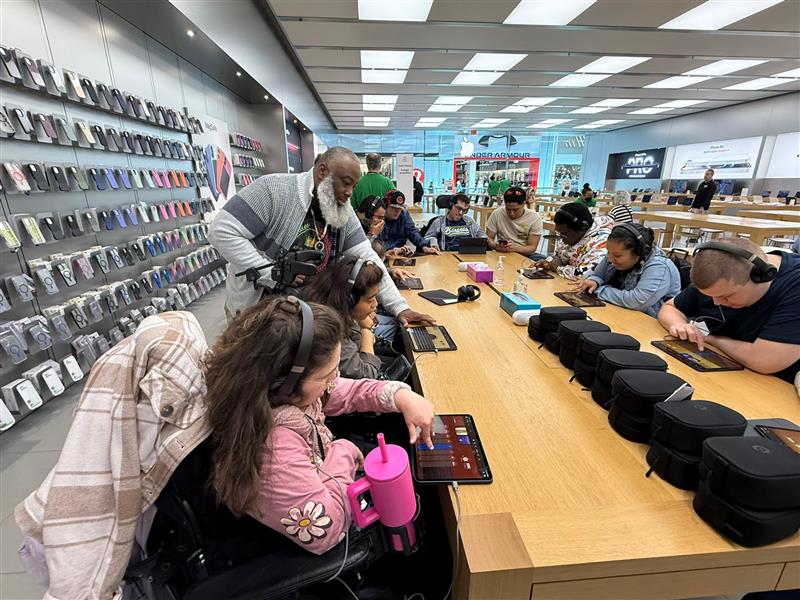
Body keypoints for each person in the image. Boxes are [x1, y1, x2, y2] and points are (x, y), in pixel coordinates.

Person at [205, 296, 435, 555]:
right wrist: (343, 451)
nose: (334, 379)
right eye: (326, 375)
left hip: (320, 477)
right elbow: (328, 529)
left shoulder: (273, 394)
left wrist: (400, 396)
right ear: (286, 384)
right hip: (303, 545)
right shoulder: (274, 452)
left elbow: (347, 391)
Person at [208, 146, 434, 326]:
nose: (350, 193)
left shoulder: (342, 210)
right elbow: (221, 230)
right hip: (257, 313)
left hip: (306, 315)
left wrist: (400, 307)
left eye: (354, 186)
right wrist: (271, 272)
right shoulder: (272, 190)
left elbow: (367, 257)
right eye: (346, 183)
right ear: (323, 172)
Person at [657, 238, 800, 382]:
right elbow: (670, 308)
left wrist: (712, 339)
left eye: (726, 296)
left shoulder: (794, 285)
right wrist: (679, 324)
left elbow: (765, 361)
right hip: (728, 369)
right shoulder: (717, 277)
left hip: (775, 383)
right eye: (710, 296)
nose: (716, 302)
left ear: (761, 276)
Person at [574, 223, 681, 317]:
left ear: (639, 252)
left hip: (650, 322)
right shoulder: (613, 254)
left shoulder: (659, 267)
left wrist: (599, 290)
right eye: (608, 252)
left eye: (617, 256)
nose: (610, 259)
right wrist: (594, 281)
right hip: (619, 312)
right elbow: (598, 275)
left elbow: (636, 301)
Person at [303, 257, 385, 379]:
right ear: (349, 300)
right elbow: (366, 375)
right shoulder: (329, 328)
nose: (375, 304)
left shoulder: (334, 308)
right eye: (369, 300)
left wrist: (356, 320)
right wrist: (366, 333)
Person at [532, 202, 613, 279]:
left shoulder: (602, 243)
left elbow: (584, 276)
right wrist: (549, 261)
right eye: (559, 232)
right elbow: (559, 257)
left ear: (582, 229)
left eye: (563, 233)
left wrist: (558, 268)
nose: (561, 237)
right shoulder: (569, 236)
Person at [486, 187, 543, 258]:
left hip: (524, 255)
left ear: (524, 204)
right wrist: (495, 245)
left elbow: (532, 248)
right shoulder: (497, 213)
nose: (511, 213)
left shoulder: (534, 218)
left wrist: (516, 248)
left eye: (515, 210)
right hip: (501, 253)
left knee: (541, 259)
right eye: (508, 209)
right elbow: (489, 238)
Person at [378, 189, 441, 255]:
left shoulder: (403, 214)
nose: (397, 211)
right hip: (381, 255)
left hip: (399, 253)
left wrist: (424, 246)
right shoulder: (378, 218)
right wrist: (391, 249)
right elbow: (375, 243)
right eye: (394, 207)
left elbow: (412, 231)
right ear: (385, 206)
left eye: (400, 208)